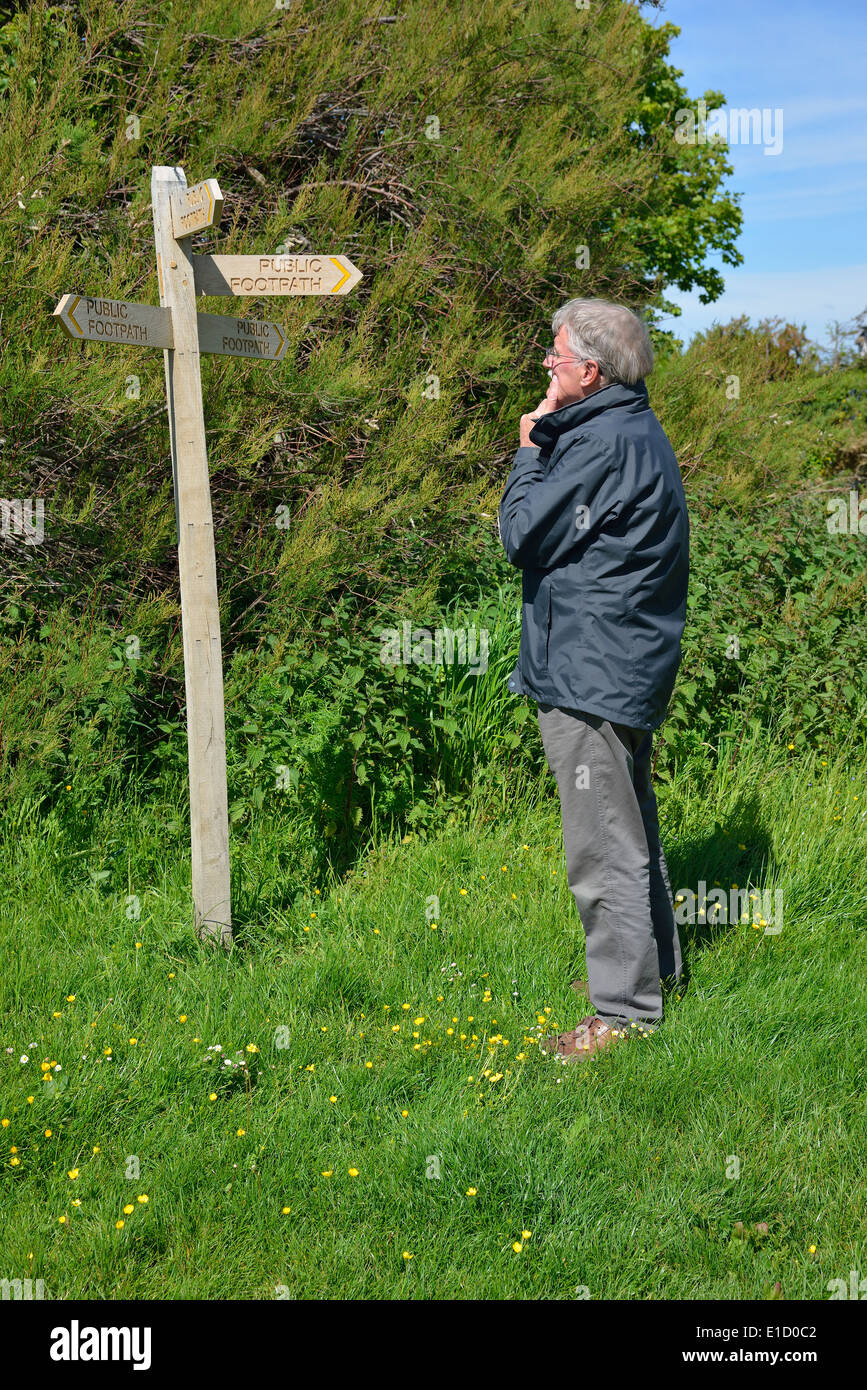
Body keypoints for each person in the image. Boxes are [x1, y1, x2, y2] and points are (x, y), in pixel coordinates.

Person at [498, 297, 689, 1062]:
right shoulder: (629, 427)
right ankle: (650, 972)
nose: (546, 365)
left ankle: (622, 1013)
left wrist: (525, 448)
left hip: (591, 667)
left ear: (591, 370)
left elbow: (520, 535)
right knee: (627, 824)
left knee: (601, 844)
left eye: (554, 355)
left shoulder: (597, 443)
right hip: (620, 659)